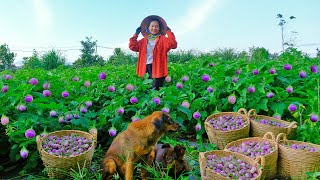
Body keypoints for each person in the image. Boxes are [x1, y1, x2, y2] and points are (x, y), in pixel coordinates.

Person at [129, 15, 177, 90]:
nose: (154, 28)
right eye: (152, 26)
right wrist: (136, 34)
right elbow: (132, 46)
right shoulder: (143, 41)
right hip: (145, 67)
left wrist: (169, 32)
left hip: (158, 68)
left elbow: (173, 44)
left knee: (155, 89)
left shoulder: (163, 40)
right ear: (148, 28)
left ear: (159, 28)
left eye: (156, 26)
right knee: (147, 90)